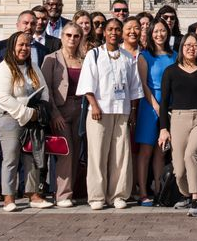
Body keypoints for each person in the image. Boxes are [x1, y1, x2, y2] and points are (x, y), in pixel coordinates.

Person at [77, 17, 143, 210]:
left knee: (121, 155)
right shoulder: (94, 54)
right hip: (99, 111)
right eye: (110, 29)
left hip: (121, 110)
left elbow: (134, 87)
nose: (114, 33)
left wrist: (132, 111)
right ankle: (97, 196)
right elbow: (87, 83)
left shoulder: (127, 57)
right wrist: (94, 106)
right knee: (98, 154)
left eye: (117, 29)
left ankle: (118, 194)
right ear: (104, 32)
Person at [158, 33, 197, 217]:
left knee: (191, 155)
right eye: (187, 45)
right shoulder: (170, 71)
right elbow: (164, 102)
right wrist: (163, 129)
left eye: (195, 45)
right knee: (178, 170)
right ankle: (187, 195)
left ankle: (196, 200)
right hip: (178, 119)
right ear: (181, 48)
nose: (191, 48)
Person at [0, 31, 53, 211]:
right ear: (12, 46)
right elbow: (3, 97)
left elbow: (44, 90)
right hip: (9, 117)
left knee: (32, 156)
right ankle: (9, 198)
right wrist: (26, 112)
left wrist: (40, 108)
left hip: (32, 117)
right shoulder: (4, 67)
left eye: (27, 45)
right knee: (11, 156)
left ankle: (33, 195)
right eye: (20, 45)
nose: (24, 48)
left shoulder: (33, 67)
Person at [41, 21, 85, 207]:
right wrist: (55, 114)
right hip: (60, 109)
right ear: (62, 36)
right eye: (68, 35)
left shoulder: (84, 59)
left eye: (76, 36)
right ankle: (62, 195)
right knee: (66, 152)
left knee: (76, 152)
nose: (72, 39)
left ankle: (71, 190)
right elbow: (46, 89)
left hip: (80, 108)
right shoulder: (51, 59)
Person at [134, 18, 177, 205]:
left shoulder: (175, 55)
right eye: (156, 31)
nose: (160, 34)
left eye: (163, 30)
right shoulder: (144, 56)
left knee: (161, 151)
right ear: (151, 34)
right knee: (146, 151)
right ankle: (143, 192)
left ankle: (160, 191)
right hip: (150, 106)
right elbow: (143, 84)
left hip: (170, 105)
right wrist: (157, 106)